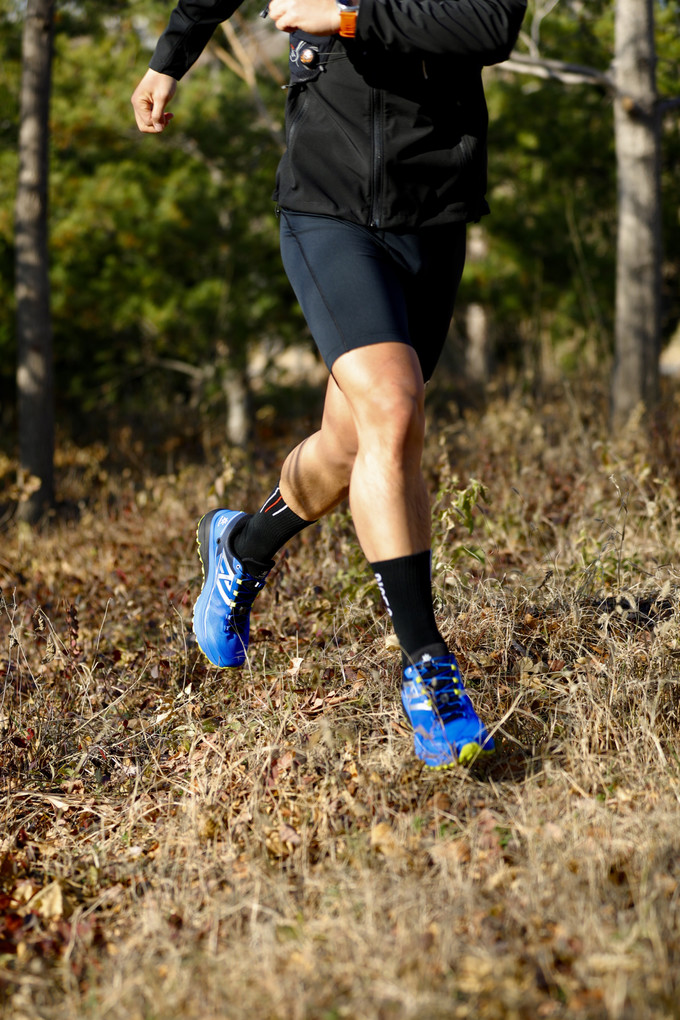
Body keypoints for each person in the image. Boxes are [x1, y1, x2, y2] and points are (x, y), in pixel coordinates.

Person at [131, 0, 527, 769]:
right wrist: (171, 55)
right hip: (327, 199)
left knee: (352, 448)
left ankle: (242, 544)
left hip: (433, 204)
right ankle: (429, 677)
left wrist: (348, 18)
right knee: (393, 410)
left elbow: (488, 27)